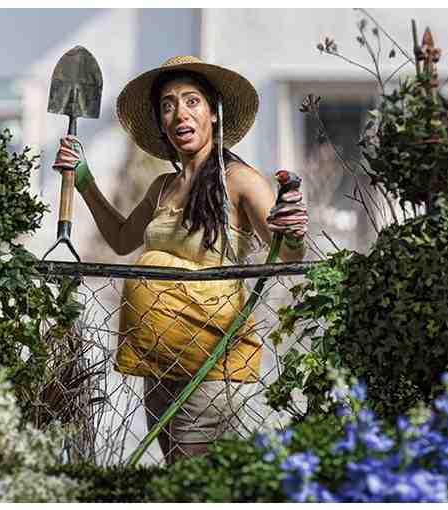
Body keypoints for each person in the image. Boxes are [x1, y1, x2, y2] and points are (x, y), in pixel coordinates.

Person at [53, 55, 309, 464]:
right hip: (158, 363)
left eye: (192, 101)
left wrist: (291, 231)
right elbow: (120, 240)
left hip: (211, 360)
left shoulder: (238, 180)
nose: (180, 113)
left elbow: (290, 253)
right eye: (168, 105)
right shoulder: (162, 186)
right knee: (177, 470)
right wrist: (84, 181)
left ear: (214, 113)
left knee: (191, 476)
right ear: (161, 121)